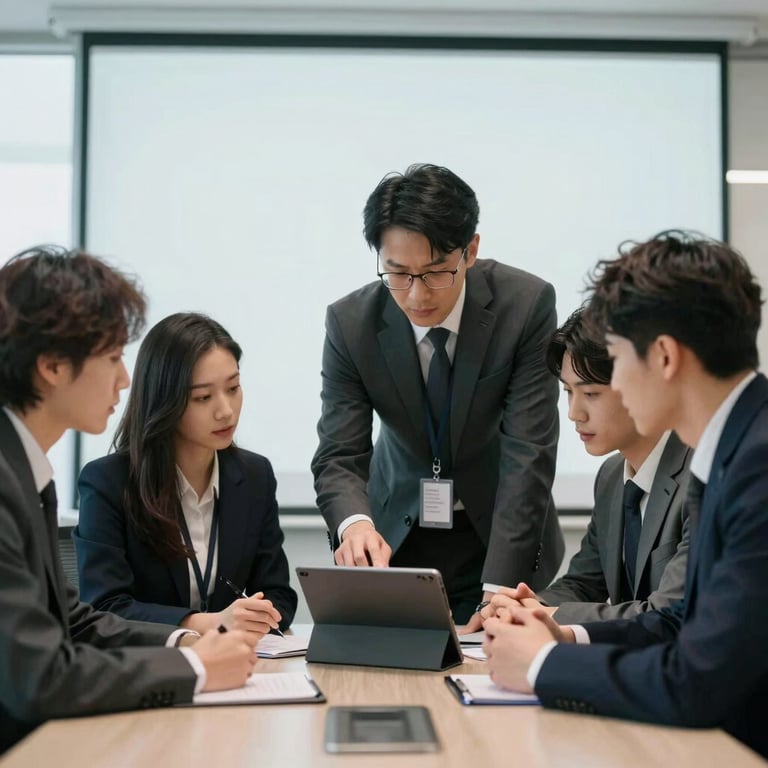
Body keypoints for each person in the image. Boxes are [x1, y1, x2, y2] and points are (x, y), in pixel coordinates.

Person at [483, 231, 768, 759]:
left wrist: (544, 664)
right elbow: (676, 622)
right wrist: (556, 635)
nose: (578, 408)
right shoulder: (732, 447)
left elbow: (698, 678)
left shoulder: (757, 462)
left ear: (662, 356)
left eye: (614, 358)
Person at [0, 246, 257, 753]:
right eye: (114, 357)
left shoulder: (27, 471)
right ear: (53, 366)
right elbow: (39, 678)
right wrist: (195, 667)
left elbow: (73, 622)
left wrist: (185, 640)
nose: (125, 379)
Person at [311, 163, 563, 624]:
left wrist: (499, 593)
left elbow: (529, 453)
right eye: (398, 273)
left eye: (435, 273)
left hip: (497, 536)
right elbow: (339, 454)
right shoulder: (351, 323)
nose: (415, 295)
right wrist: (355, 523)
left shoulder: (524, 306)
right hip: (393, 539)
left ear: (470, 251)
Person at [74, 312, 297, 634]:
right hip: (148, 669)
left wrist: (258, 614)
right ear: (164, 400)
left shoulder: (254, 475)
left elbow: (278, 595)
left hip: (239, 664)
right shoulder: (108, 483)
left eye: (233, 388)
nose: (226, 410)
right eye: (203, 397)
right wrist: (210, 624)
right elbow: (105, 608)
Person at [482, 307, 692, 623]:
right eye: (568, 392)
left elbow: (671, 611)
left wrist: (549, 615)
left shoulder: (701, 477)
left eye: (591, 393)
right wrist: (524, 607)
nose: (574, 413)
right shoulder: (610, 477)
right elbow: (582, 584)